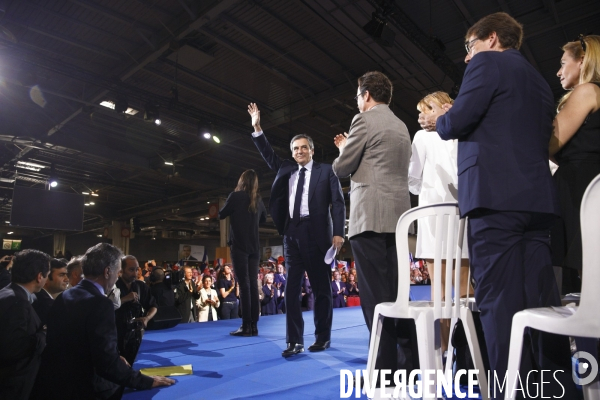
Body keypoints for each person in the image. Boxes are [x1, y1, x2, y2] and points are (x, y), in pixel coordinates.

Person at [418, 12, 577, 398]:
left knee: (500, 303)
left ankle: (514, 392)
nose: (468, 58)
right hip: (537, 201)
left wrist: (439, 121)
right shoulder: (539, 80)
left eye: (470, 47)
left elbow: (459, 121)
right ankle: (556, 389)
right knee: (542, 304)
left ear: (490, 38)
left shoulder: (489, 62)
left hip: (494, 200)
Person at [332, 71, 418, 374]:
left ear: (366, 94)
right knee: (398, 294)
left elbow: (342, 168)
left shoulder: (364, 120)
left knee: (375, 299)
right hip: (398, 217)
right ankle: (410, 363)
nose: (357, 100)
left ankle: (384, 369)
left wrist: (343, 151)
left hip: (369, 217)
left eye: (357, 94)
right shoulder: (401, 125)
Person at [249, 102, 346, 357]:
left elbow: (338, 202)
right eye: (296, 148)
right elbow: (268, 154)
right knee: (291, 289)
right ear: (292, 153)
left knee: (321, 289)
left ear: (312, 150)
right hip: (291, 233)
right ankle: (295, 341)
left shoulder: (327, 171)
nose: (300, 151)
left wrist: (339, 233)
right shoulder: (286, 168)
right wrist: (257, 127)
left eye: (304, 147)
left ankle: (322, 337)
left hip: (318, 235)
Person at [32, 243, 174, 399]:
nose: (117, 277)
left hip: (57, 385)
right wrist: (145, 382)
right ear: (107, 271)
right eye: (117, 272)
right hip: (86, 388)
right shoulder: (101, 303)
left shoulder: (66, 295)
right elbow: (107, 365)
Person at [550, 35, 600, 294]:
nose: (558, 72)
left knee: (586, 270)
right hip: (588, 183)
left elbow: (550, 144)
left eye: (563, 63)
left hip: (580, 186)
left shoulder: (586, 91)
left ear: (582, 61)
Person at [408, 91, 470, 297]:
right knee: (464, 285)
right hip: (462, 209)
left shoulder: (422, 136)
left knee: (439, 286)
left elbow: (412, 178)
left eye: (425, 111)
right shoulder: (465, 131)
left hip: (433, 213)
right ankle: (470, 330)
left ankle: (441, 330)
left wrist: (422, 188)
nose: (421, 117)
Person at [219, 169, 267, 336]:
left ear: (242, 181)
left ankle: (246, 325)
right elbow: (263, 219)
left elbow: (221, 214)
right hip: (255, 247)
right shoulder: (258, 199)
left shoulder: (235, 196)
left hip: (240, 246)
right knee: (253, 284)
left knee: (244, 284)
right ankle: (254, 325)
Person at [0, 249, 49, 400]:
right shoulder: (18, 303)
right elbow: (14, 348)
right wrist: (43, 333)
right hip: (11, 387)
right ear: (39, 276)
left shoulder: (7, 293)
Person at [115, 255, 158, 365]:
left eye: (136, 269)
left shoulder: (140, 286)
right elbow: (104, 308)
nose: (135, 273)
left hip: (135, 338)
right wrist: (124, 299)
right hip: (116, 336)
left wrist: (147, 318)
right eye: (131, 270)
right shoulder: (113, 286)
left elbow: (153, 306)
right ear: (121, 270)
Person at [33, 258, 69, 327]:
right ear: (46, 277)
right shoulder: (44, 304)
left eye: (66, 275)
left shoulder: (40, 297)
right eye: (61, 275)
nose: (66, 279)